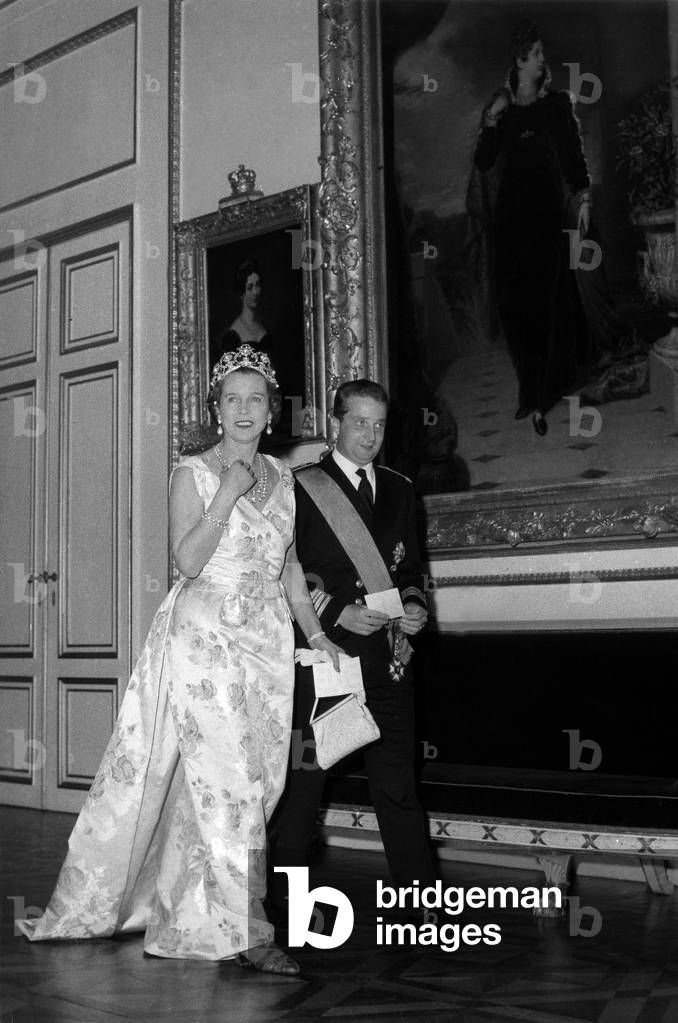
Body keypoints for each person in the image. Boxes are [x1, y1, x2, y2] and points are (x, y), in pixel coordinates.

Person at [19, 346, 341, 974]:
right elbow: (187, 562)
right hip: (206, 639)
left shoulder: (284, 478)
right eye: (232, 399)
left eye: (256, 399)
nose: (244, 410)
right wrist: (226, 494)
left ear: (271, 411)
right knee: (232, 788)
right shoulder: (191, 471)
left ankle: (193, 910)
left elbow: (292, 566)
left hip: (268, 644)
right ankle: (250, 932)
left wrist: (315, 631)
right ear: (216, 410)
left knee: (262, 785)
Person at [269, 379, 436, 921]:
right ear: (336, 423)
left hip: (389, 660)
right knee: (303, 793)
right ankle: (287, 913)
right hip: (327, 660)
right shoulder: (299, 488)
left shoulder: (400, 489)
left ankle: (424, 911)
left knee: (399, 788)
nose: (369, 435)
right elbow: (282, 572)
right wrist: (337, 610)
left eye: (379, 424)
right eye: (359, 422)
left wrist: (413, 606)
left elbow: (410, 571)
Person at [471, 21, 595, 437]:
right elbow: (485, 162)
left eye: (543, 53)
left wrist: (583, 197)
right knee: (514, 306)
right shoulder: (502, 111)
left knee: (547, 303)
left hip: (545, 218)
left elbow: (573, 157)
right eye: (537, 53)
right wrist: (490, 121)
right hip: (510, 222)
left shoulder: (556, 106)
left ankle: (544, 393)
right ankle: (529, 388)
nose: (544, 59)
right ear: (521, 60)